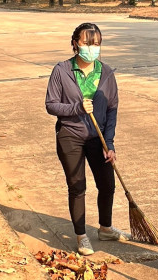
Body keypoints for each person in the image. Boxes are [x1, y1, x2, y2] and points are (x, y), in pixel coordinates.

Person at [45, 23, 130, 256]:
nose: (91, 48)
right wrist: (76, 107)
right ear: (75, 43)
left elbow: (112, 109)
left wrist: (109, 143)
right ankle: (81, 236)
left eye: (96, 43)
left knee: (107, 185)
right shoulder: (62, 71)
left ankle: (105, 228)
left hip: (98, 137)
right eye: (86, 43)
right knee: (77, 186)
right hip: (70, 135)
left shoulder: (107, 72)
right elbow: (51, 105)